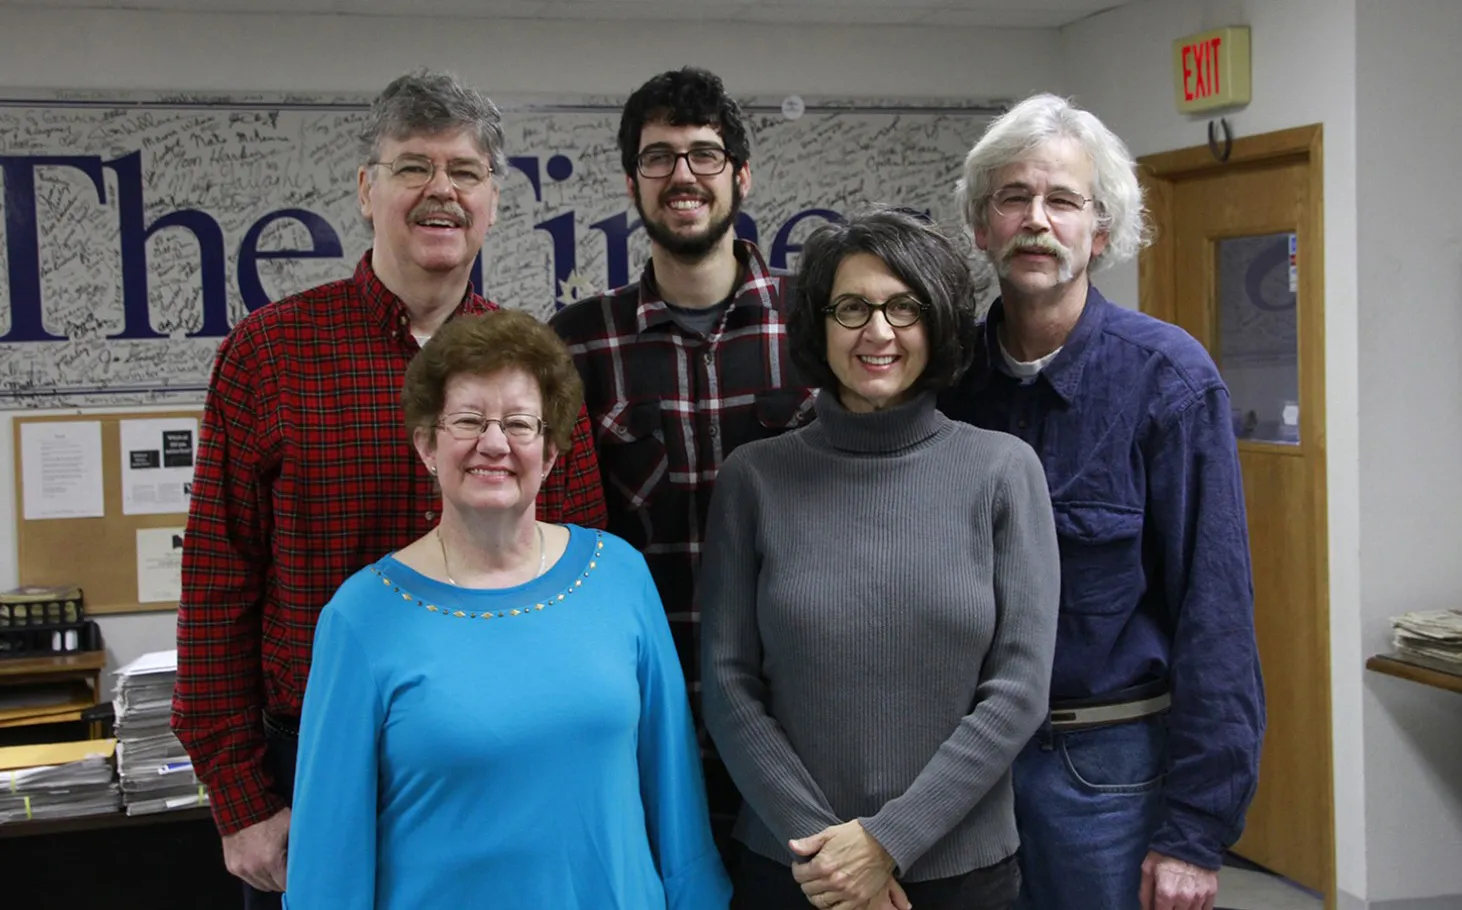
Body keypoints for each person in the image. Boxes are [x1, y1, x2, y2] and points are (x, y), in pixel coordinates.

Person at [172, 69, 607, 909]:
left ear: (492, 200)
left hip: (507, 751)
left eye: (465, 172)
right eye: (414, 167)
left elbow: (580, 574)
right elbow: (218, 586)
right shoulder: (269, 355)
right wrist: (240, 801)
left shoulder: (535, 366)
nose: (440, 191)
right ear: (368, 191)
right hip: (315, 763)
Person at [281, 310, 728, 910]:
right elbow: (327, 858)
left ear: (548, 455)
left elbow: (673, 788)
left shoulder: (617, 574)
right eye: (468, 420)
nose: (494, 443)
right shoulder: (361, 617)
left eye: (519, 424)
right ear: (426, 446)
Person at [939, 93, 1266, 910]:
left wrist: (1195, 831)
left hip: (1106, 773)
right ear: (982, 227)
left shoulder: (1171, 383)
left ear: (1103, 231)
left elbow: (1216, 611)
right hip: (960, 770)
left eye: (1063, 201)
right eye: (1014, 198)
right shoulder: (945, 387)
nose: (1037, 221)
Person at [700, 207, 1061, 910]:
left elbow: (1019, 689)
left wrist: (888, 841)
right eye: (853, 308)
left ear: (939, 325)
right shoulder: (755, 479)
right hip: (794, 869)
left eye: (905, 308)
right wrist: (833, 857)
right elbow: (727, 683)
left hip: (962, 876)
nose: (878, 332)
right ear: (820, 324)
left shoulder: (1003, 472)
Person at [550, 66, 816, 849]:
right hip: (644, 721)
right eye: (659, 157)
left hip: (799, 718)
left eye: (703, 154)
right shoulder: (579, 342)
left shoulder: (820, 322)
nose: (682, 177)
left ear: (740, 175)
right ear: (632, 182)